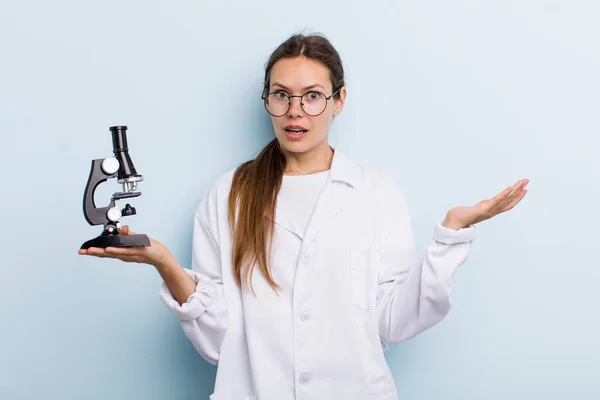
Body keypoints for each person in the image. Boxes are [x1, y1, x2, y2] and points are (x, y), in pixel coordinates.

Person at [79, 32, 529, 400]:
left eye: (313, 96)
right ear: (267, 101)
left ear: (339, 100)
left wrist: (450, 235)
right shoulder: (230, 194)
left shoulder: (376, 191)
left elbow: (393, 321)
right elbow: (219, 344)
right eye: (282, 95)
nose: (296, 111)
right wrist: (165, 263)